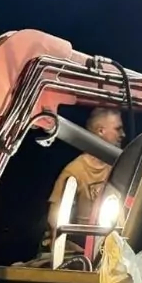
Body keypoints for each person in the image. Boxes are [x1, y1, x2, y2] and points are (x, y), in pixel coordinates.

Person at [43, 107, 125, 251]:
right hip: (80, 250)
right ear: (101, 131)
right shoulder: (75, 171)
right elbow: (54, 218)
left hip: (112, 248)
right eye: (118, 129)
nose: (123, 134)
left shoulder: (118, 169)